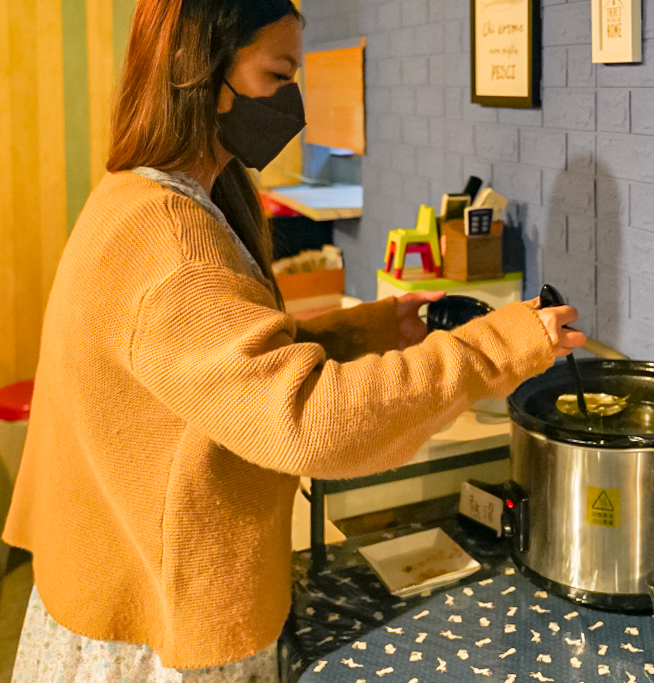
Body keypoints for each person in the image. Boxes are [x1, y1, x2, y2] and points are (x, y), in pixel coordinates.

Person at [3, 0, 585, 680]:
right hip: (152, 633)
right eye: (279, 75)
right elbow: (311, 419)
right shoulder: (172, 239)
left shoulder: (139, 198)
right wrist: (499, 346)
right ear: (199, 65)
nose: (292, 101)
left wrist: (362, 331)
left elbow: (222, 363)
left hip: (111, 582)